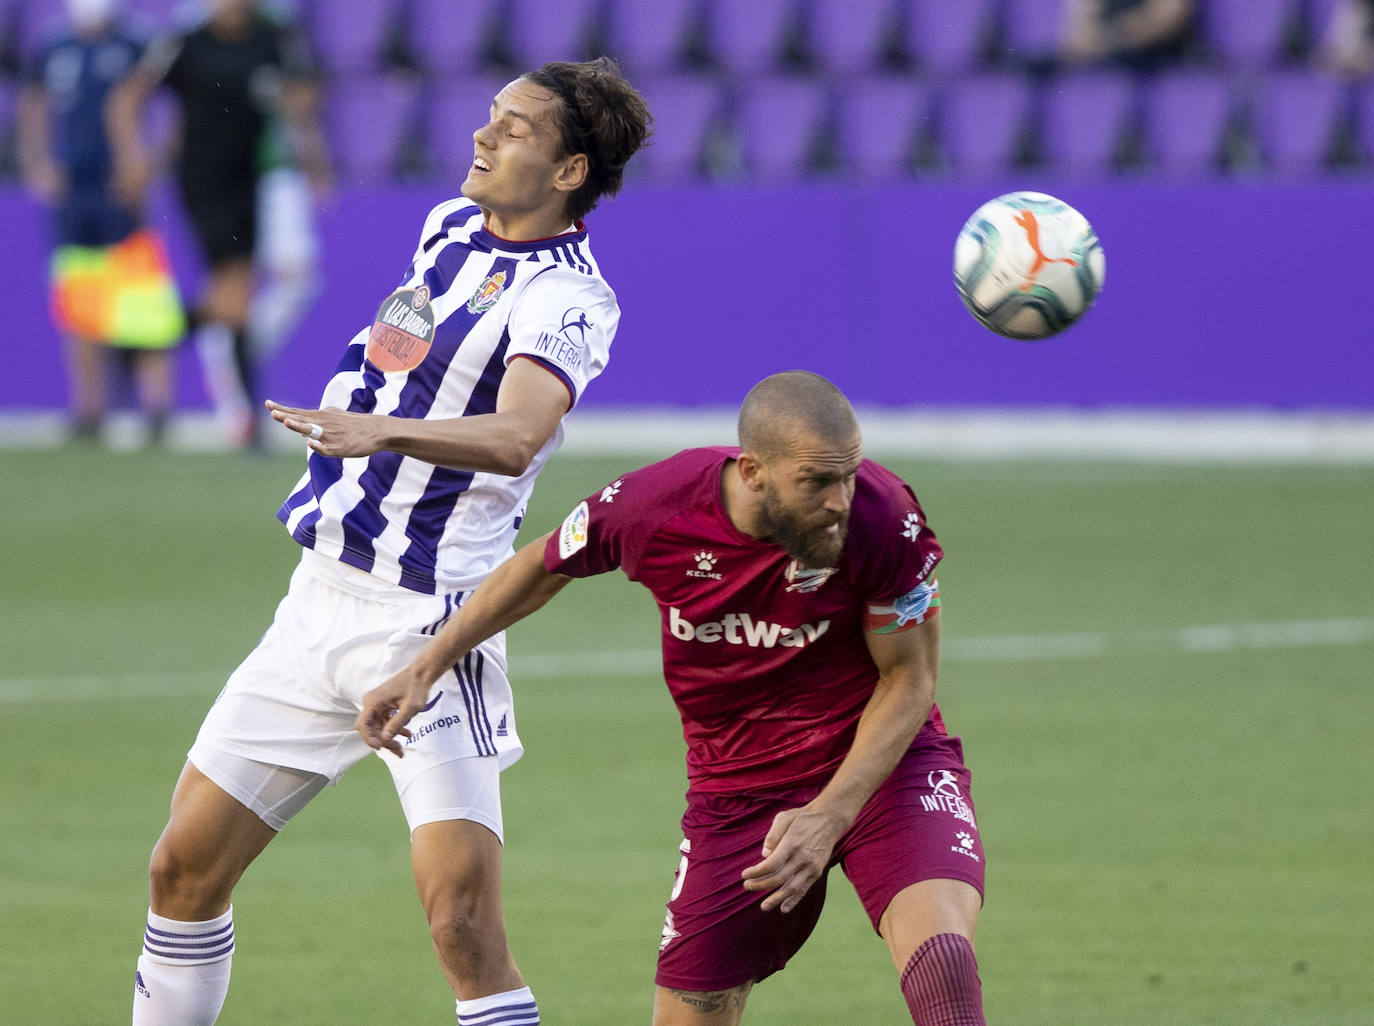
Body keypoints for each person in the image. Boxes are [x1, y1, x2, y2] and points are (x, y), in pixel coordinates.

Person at [128, 58, 650, 1025]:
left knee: (461, 925)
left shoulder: (570, 299)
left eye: (515, 129)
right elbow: (405, 352)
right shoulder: (448, 228)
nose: (484, 138)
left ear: (571, 170)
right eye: (490, 117)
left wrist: (381, 430)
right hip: (316, 601)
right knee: (182, 871)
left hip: (429, 626)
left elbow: (518, 434)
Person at [360, 371, 988, 1026]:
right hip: (736, 795)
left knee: (942, 960)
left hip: (884, 770)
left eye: (849, 475)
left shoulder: (885, 518)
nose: (841, 500)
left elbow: (909, 680)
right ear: (752, 472)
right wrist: (427, 664)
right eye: (817, 482)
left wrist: (831, 813)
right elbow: (540, 566)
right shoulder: (654, 509)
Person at [108, 0, 331, 448]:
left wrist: (312, 158)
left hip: (248, 179)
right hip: (201, 180)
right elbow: (128, 98)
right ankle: (247, 414)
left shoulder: (273, 37)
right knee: (233, 292)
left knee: (236, 301)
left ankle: (151, 336)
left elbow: (302, 100)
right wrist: (135, 158)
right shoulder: (186, 43)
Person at [17, 0, 177, 443]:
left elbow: (172, 100)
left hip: (121, 187)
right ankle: (88, 410)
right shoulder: (54, 43)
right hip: (74, 189)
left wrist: (148, 161)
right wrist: (38, 162)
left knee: (141, 299)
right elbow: (33, 104)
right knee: (81, 299)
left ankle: (156, 407)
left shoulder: (136, 40)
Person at [1062, 0, 1197, 71]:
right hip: (1110, 48)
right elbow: (1084, 25)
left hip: (1158, 50)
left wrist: (1121, 37)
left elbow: (1170, 18)